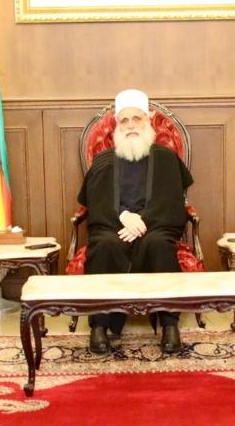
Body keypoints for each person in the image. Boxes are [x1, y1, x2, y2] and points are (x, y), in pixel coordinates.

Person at [77, 89, 194, 355]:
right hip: (113, 226)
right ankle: (99, 327)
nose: (130, 125)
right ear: (117, 125)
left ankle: (169, 325)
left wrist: (143, 221)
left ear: (148, 119)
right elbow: (96, 201)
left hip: (155, 226)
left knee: (158, 244)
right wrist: (123, 217)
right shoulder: (104, 160)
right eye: (124, 120)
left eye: (136, 119)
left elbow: (172, 201)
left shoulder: (166, 158)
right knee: (104, 245)